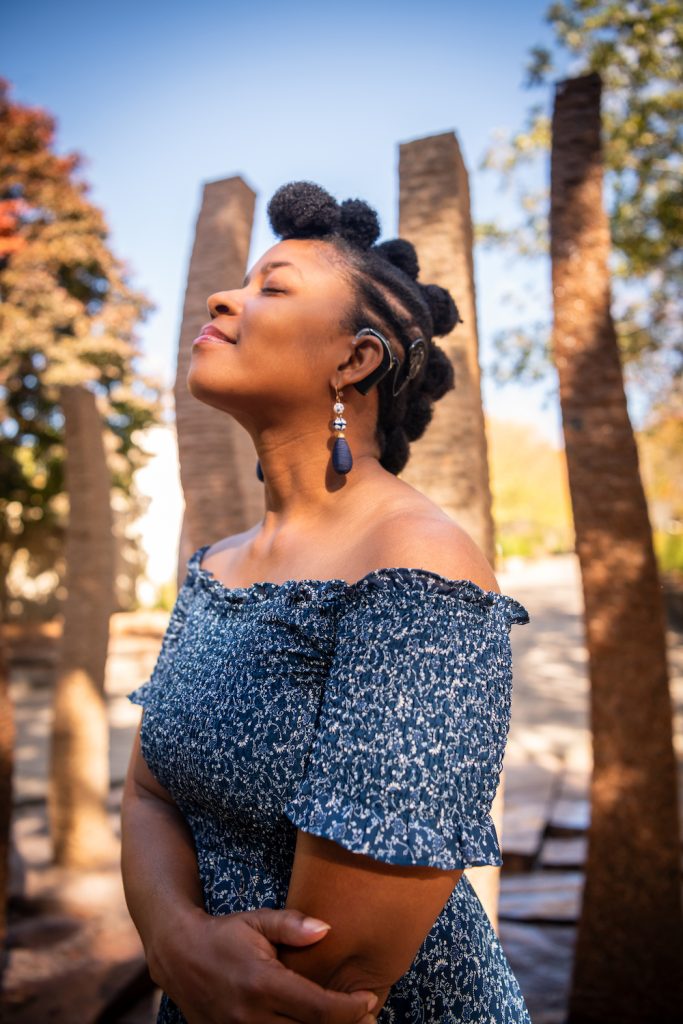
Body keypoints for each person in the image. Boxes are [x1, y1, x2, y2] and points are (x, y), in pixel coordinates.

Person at [120, 180, 533, 1023]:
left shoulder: (420, 563)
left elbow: (334, 970)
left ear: (354, 362)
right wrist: (169, 938)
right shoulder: (216, 566)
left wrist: (202, 972)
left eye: (271, 288)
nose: (223, 298)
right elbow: (148, 794)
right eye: (240, 282)